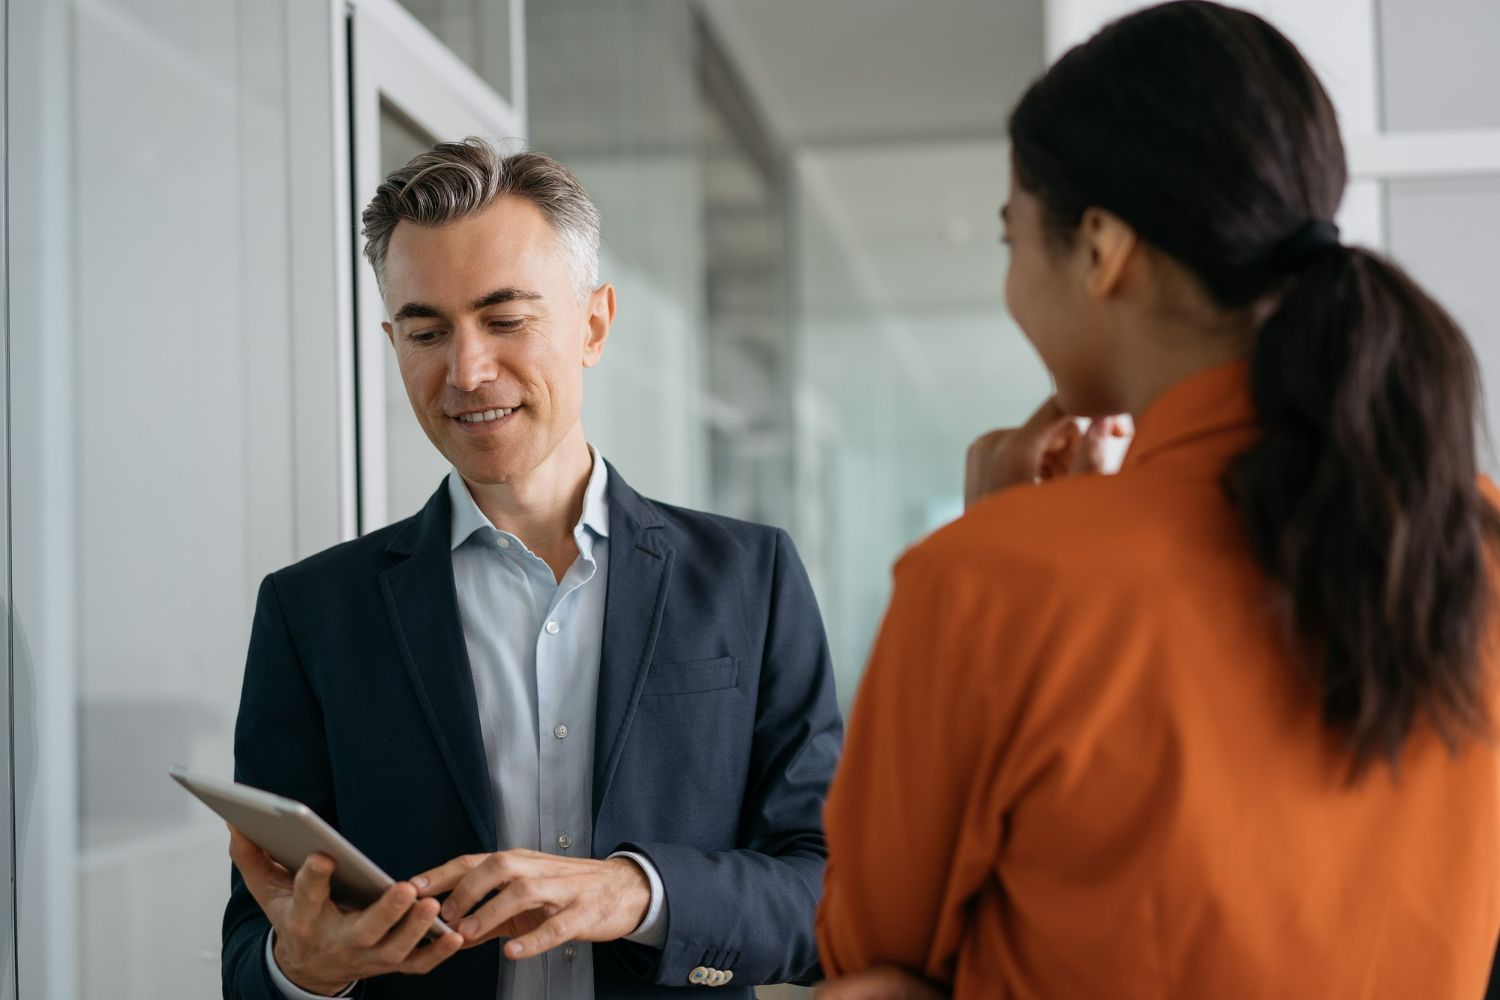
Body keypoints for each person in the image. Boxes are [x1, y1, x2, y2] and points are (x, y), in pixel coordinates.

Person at [813, 3, 1500, 998]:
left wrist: (1010, 537)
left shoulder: (990, 583)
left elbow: (867, 964)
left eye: (1015, 239)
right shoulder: (1473, 534)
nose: (1012, 283)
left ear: (1100, 249)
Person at [221, 140, 843, 999]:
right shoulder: (312, 613)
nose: (467, 371)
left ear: (593, 324)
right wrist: (302, 972)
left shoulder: (752, 579)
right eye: (426, 330)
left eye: (506, 319)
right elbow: (254, 951)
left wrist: (638, 891)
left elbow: (832, 899)